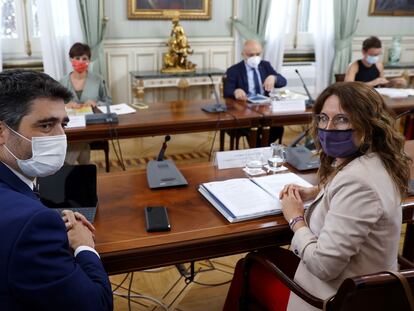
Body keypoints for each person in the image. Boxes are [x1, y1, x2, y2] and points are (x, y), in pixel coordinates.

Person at [223, 81, 410, 310]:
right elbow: (352, 196)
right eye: (323, 118)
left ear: (368, 124)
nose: (328, 127)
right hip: (366, 284)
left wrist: (296, 218)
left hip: (334, 299)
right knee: (255, 258)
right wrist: (316, 191)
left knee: (248, 267)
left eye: (341, 119)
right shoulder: (377, 159)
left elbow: (324, 266)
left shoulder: (359, 182)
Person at [0, 70, 113, 311]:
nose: (61, 137)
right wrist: (84, 245)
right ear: (2, 132)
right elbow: (98, 305)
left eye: (63, 124)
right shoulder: (32, 224)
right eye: (46, 125)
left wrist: (49, 221)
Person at [223, 39, 287, 144]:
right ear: (243, 54)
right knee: (253, 130)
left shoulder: (265, 65)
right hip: (245, 110)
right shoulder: (234, 70)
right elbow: (227, 91)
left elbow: (283, 81)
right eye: (251, 55)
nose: (255, 57)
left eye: (258, 54)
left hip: (264, 109)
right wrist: (236, 91)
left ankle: (260, 151)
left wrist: (274, 77)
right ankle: (260, 153)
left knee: (277, 128)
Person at [59, 42, 111, 164]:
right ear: (71, 59)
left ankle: (66, 168)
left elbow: (109, 102)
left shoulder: (98, 80)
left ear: (89, 60)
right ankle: (84, 172)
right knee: (82, 144)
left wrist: (96, 103)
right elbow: (54, 107)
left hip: (93, 126)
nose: (81, 61)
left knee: (80, 139)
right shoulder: (62, 82)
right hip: (71, 127)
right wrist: (65, 105)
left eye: (84, 58)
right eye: (77, 58)